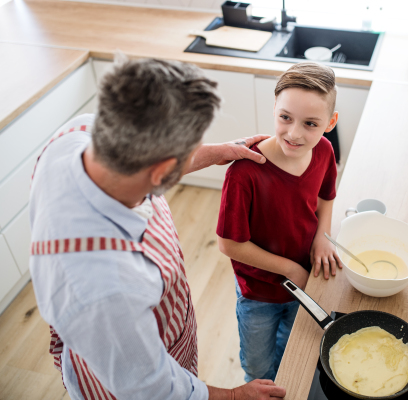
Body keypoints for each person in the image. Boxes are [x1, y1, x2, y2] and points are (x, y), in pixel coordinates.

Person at [29, 55, 286, 400]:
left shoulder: (79, 135)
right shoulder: (104, 288)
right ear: (160, 171)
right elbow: (152, 389)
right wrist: (235, 396)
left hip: (160, 336)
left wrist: (212, 153)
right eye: (188, 150)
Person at [216, 62, 343, 382]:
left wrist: (322, 236)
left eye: (311, 123)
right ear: (274, 107)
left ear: (331, 122)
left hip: (307, 283)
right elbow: (229, 243)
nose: (295, 133)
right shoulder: (244, 173)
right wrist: (289, 268)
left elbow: (326, 198)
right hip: (259, 292)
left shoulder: (325, 151)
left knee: (291, 352)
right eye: (285, 117)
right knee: (258, 368)